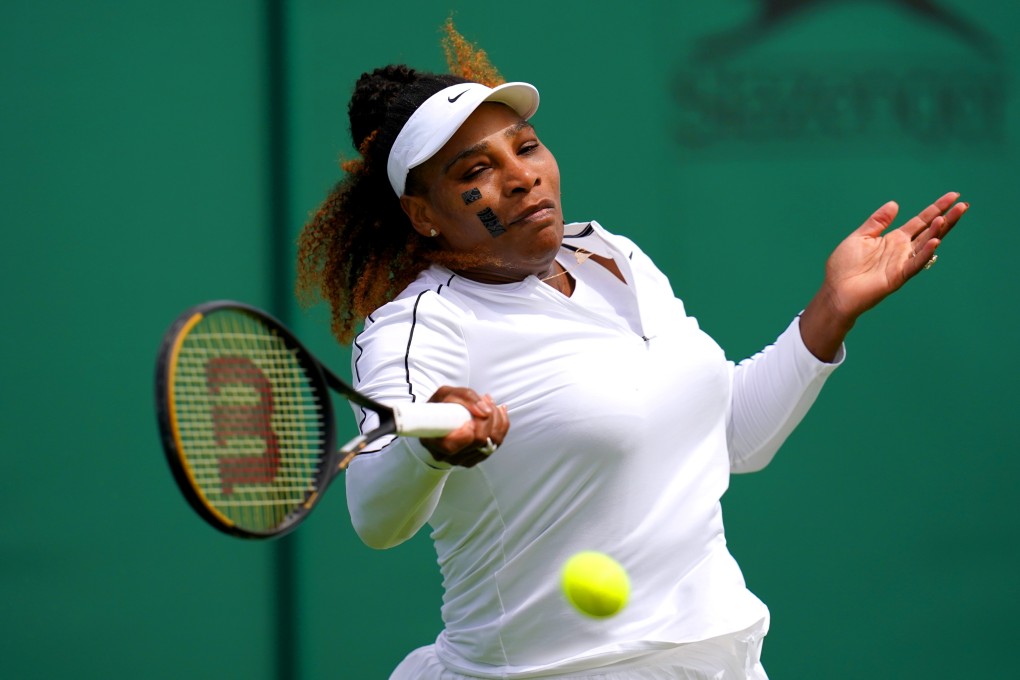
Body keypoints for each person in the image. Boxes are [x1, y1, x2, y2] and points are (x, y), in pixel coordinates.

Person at [296, 25, 967, 680]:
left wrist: (832, 309)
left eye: (525, 148)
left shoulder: (612, 257)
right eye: (477, 171)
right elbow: (374, 515)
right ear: (423, 215)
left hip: (719, 656)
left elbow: (729, 440)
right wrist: (427, 447)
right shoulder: (420, 326)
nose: (522, 177)